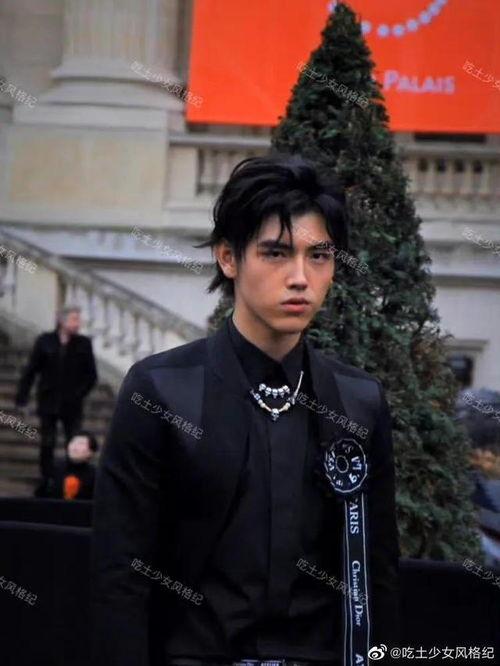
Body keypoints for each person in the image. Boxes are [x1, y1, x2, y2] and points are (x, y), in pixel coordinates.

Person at [90, 154, 400, 666]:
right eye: (276, 253)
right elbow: (120, 576)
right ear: (228, 258)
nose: (300, 277)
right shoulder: (161, 390)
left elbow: (378, 576)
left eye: (319, 256)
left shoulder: (359, 401)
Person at [15, 306, 98, 497]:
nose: (78, 323)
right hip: (48, 400)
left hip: (72, 403)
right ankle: (47, 480)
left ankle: (73, 480)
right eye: (74, 319)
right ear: (62, 320)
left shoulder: (83, 343)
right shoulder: (45, 341)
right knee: (47, 442)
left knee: (74, 440)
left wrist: (78, 394)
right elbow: (31, 370)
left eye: (78, 319)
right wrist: (22, 396)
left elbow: (91, 375)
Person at [49, 430, 99, 500]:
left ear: (91, 452)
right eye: (73, 442)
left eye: (81, 443)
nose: (75, 446)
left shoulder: (95, 475)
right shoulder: (56, 469)